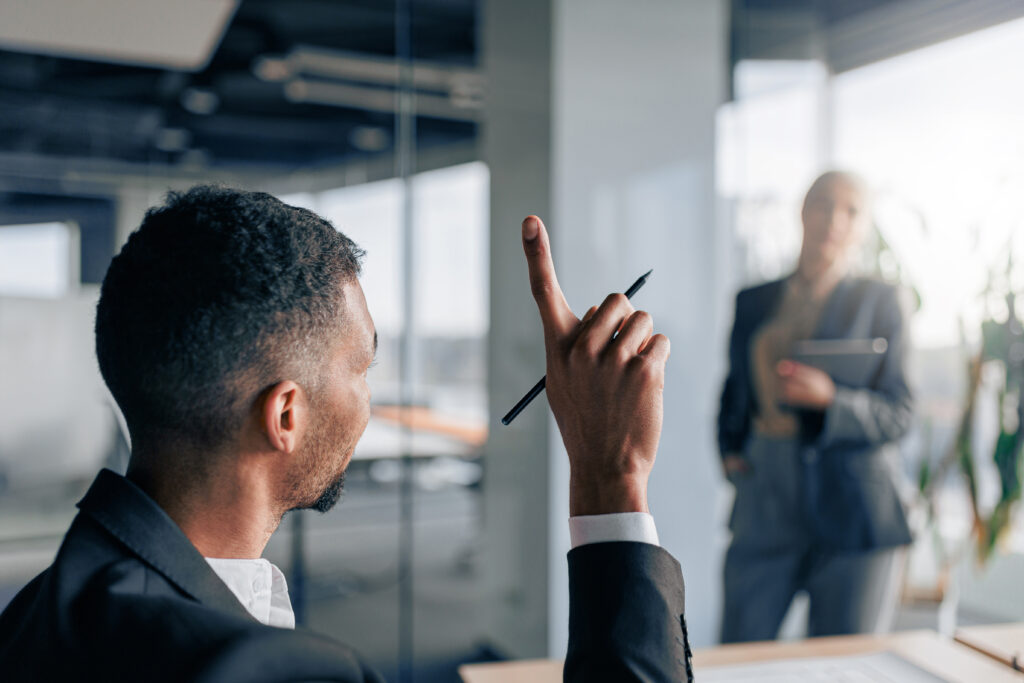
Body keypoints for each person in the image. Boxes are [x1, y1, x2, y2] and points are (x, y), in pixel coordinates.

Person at [0, 187, 692, 682]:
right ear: (286, 415)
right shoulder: (266, 668)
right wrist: (612, 478)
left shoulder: (34, 612)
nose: (371, 397)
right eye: (363, 367)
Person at [717, 171, 914, 643]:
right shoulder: (754, 300)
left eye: (851, 210)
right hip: (765, 489)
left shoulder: (882, 301)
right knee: (740, 651)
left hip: (853, 504)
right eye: (823, 204)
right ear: (802, 211)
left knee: (841, 666)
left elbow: (900, 412)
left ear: (864, 226)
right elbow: (733, 389)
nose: (834, 219)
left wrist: (833, 401)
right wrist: (729, 448)